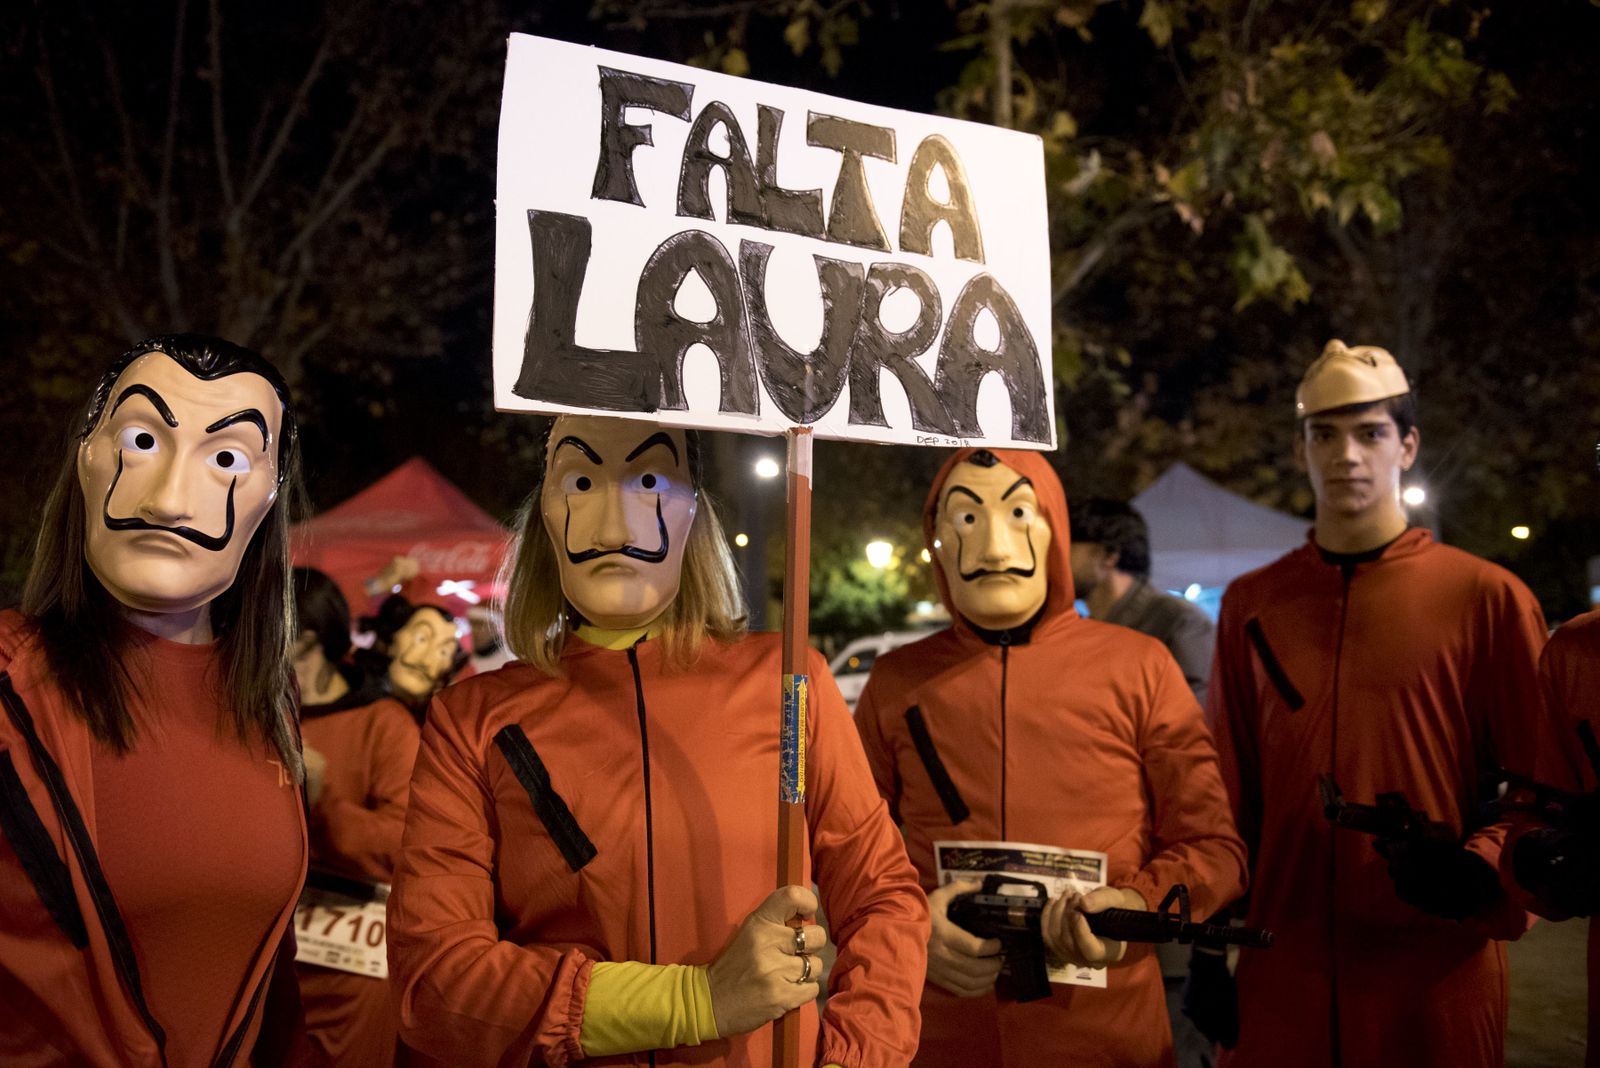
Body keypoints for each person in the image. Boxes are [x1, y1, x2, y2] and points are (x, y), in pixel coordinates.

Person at [386, 415, 928, 1067]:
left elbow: (882, 895)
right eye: (582, 482)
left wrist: (857, 1057)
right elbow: (435, 980)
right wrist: (696, 1001)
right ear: (545, 521)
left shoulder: (787, 682)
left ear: (695, 513)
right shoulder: (472, 717)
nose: (614, 525)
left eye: (648, 480)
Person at [1201, 339, 1562, 1067]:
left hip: (1432, 973)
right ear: (1301, 448)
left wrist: (1481, 867)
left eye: (1370, 433)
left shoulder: (1487, 598)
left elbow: (1544, 789)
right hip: (1283, 967)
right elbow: (1222, 796)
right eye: (1323, 435)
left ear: (1407, 446)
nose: (1346, 455)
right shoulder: (1252, 604)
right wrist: (1210, 939)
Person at [853, 446, 1247, 1067]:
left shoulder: (1139, 667)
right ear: (935, 541)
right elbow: (848, 849)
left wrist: (1138, 904)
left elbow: (1214, 847)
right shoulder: (897, 681)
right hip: (941, 1031)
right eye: (964, 519)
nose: (992, 546)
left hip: (1107, 1037)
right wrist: (909, 924)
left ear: (1054, 527)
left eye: (1017, 512)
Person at [0, 334, 308, 1066]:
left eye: (227, 458)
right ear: (87, 456)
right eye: (142, 440)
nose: (171, 499)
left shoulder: (267, 703)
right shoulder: (11, 678)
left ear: (270, 496)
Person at [291, 567, 421, 1068]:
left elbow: (405, 843)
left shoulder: (383, 723)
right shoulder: (252, 713)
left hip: (354, 970)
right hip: (270, 957)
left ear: (305, 640)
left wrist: (324, 802)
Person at [1070, 497, 1216, 703]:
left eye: (1068, 546)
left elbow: (1197, 713)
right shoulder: (1081, 628)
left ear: (1108, 555)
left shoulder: (1177, 620)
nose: (1055, 560)